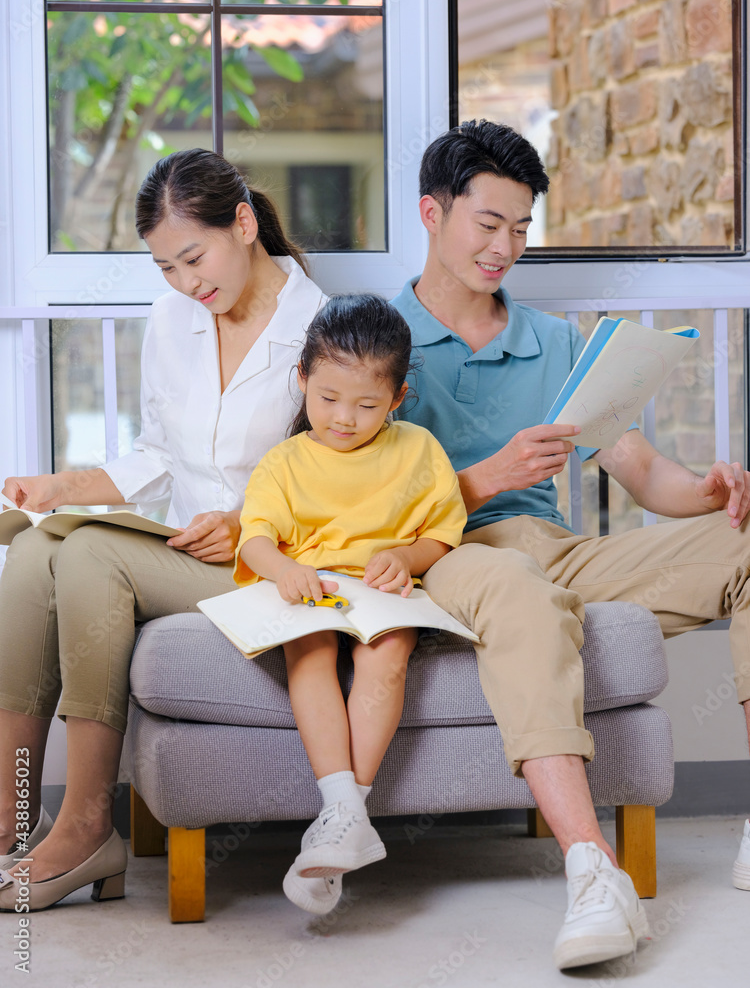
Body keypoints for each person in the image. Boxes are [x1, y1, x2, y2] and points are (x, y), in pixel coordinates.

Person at [390, 119, 750, 971]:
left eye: (520, 228)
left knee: (741, 540)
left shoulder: (554, 343)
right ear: (432, 214)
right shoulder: (375, 334)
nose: (504, 247)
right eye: (488, 224)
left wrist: (709, 491)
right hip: (449, 557)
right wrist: (488, 474)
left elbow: (643, 472)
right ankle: (595, 872)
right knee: (517, 582)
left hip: (557, 550)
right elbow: (363, 510)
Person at [0, 148, 327, 911]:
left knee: (88, 555)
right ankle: (9, 819)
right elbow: (155, 450)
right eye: (166, 268)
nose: (187, 282)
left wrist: (248, 521)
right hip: (185, 551)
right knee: (35, 544)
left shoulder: (320, 323)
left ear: (243, 223)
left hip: (265, 561)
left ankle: (87, 826)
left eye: (193, 257)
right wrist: (58, 487)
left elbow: (342, 474)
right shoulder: (173, 315)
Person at [234, 294, 466, 914]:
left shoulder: (416, 450)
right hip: (310, 587)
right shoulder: (285, 462)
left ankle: (341, 821)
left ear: (397, 398)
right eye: (328, 398)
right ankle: (345, 810)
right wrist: (285, 570)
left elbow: (442, 532)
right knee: (308, 653)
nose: (343, 418)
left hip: (381, 594)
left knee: (388, 650)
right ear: (303, 377)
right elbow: (254, 536)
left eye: (367, 406)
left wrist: (407, 559)